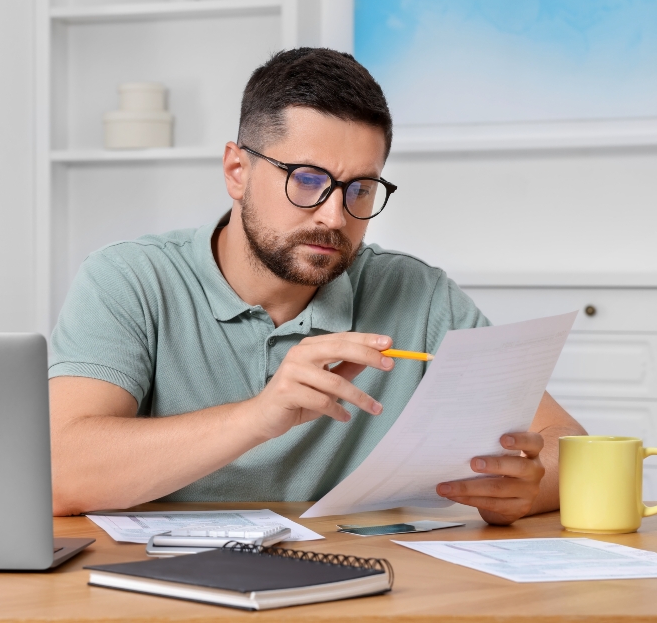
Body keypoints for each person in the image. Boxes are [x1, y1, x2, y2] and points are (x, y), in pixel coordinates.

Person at [49, 48, 586, 525]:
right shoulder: (129, 280)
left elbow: (570, 445)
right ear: (237, 170)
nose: (334, 215)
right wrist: (258, 416)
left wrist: (529, 485)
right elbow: (59, 471)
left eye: (361, 188)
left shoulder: (417, 295)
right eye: (306, 179)